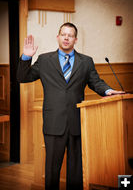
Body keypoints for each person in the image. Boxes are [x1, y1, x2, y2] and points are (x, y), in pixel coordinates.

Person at [17, 22, 124, 190]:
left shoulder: (86, 62)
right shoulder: (45, 60)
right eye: (63, 34)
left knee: (76, 170)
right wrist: (26, 57)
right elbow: (23, 77)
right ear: (58, 37)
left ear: (75, 39)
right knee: (52, 169)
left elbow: (96, 82)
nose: (66, 37)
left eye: (70, 35)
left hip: (77, 122)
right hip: (53, 122)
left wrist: (108, 90)